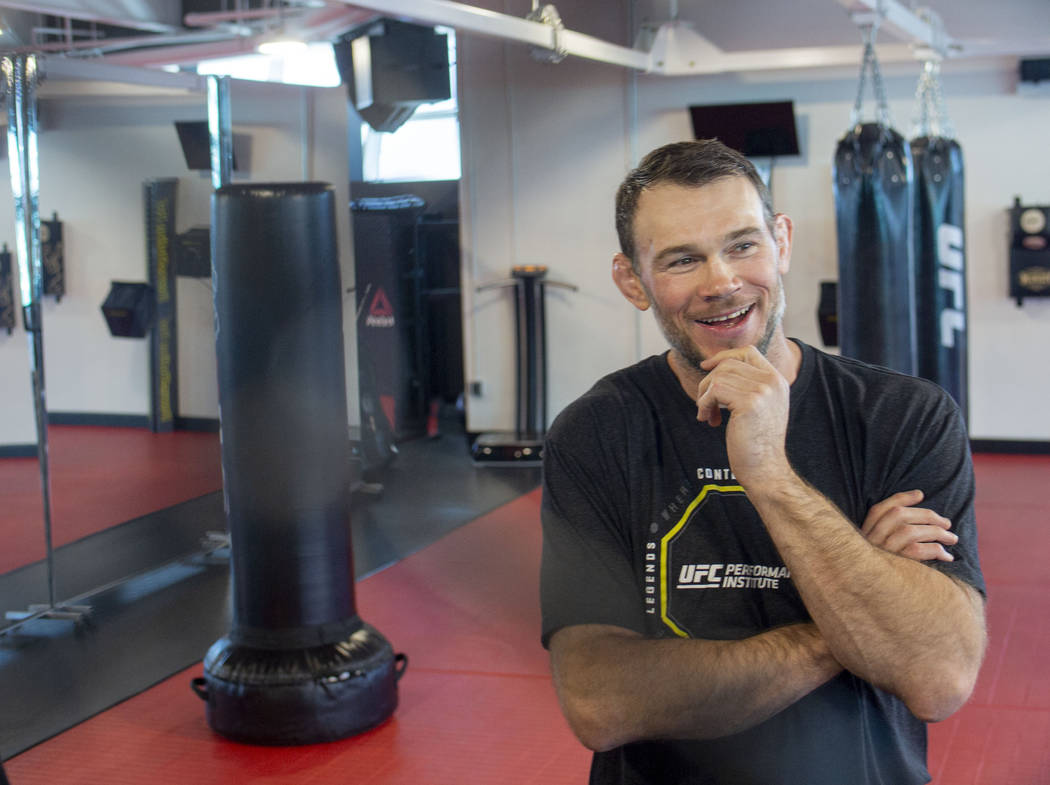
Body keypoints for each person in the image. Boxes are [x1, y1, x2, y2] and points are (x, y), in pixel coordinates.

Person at [540, 139, 986, 785]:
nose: (721, 281)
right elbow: (601, 701)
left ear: (781, 241)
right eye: (682, 259)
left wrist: (771, 476)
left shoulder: (903, 416)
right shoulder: (598, 432)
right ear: (632, 280)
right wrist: (852, 614)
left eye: (743, 244)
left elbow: (939, 677)